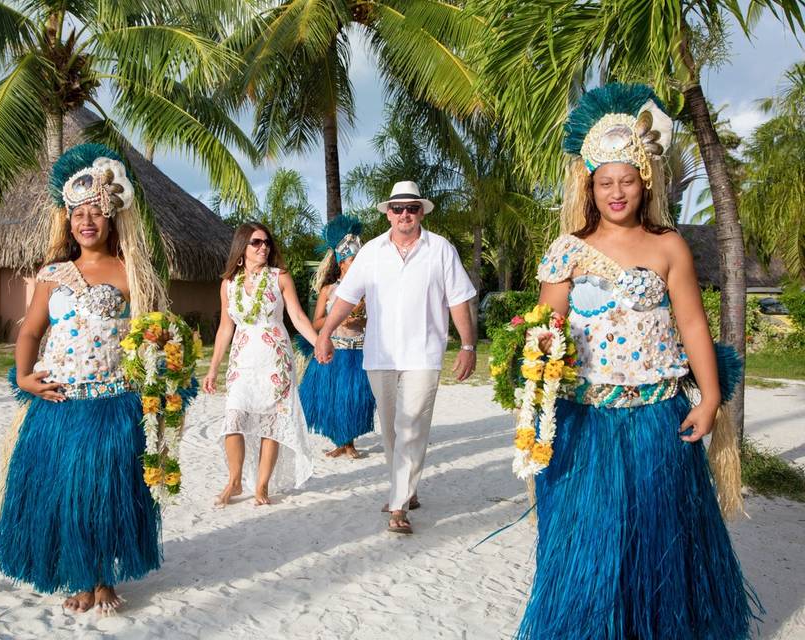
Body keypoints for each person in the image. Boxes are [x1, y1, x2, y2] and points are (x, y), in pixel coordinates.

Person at [518, 83, 756, 639]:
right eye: (606, 183)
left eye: (627, 180)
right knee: (589, 535)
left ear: (644, 182)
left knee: (660, 533)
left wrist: (712, 396)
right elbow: (545, 330)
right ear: (591, 186)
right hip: (585, 420)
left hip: (657, 415)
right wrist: (533, 388)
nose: (616, 192)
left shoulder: (668, 245)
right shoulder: (565, 250)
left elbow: (693, 324)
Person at [0, 144, 166, 614]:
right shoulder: (51, 274)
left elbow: (149, 334)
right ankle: (81, 576)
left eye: (95, 212)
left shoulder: (131, 271)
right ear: (67, 219)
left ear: (111, 218)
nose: (86, 221)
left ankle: (105, 578)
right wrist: (25, 378)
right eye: (77, 213)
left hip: (113, 401)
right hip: (60, 404)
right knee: (67, 493)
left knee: (106, 492)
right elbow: (30, 332)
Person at [314, 181, 477, 535]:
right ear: (388, 213)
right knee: (390, 430)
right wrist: (325, 333)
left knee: (411, 425)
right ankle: (409, 488)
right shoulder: (371, 252)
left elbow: (458, 299)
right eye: (398, 208)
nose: (405, 214)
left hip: (425, 353)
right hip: (380, 354)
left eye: (412, 208)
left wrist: (467, 346)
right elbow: (345, 297)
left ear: (421, 211)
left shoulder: (441, 250)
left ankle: (398, 504)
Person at [204, 223, 318, 506]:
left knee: (272, 422)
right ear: (242, 247)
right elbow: (224, 328)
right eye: (256, 242)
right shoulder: (228, 285)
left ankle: (262, 486)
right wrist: (213, 367)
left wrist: (319, 343)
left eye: (266, 242)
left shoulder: (280, 278)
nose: (263, 247)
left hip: (275, 359)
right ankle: (234, 481)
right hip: (242, 360)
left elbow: (298, 317)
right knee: (233, 419)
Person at [299, 214, 375, 459]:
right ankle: (340, 442)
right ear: (341, 263)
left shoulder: (368, 289)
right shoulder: (329, 290)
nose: (358, 264)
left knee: (354, 399)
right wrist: (341, 318)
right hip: (336, 351)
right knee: (335, 398)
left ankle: (349, 443)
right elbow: (318, 322)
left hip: (360, 350)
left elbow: (376, 319)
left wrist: (362, 319)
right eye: (353, 260)